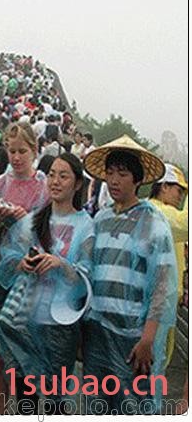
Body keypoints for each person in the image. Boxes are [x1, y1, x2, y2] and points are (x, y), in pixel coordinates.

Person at [82, 135, 178, 414]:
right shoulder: (100, 219)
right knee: (97, 405)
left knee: (132, 408)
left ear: (138, 180)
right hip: (98, 332)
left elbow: (163, 286)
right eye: (110, 173)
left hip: (133, 336)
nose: (114, 181)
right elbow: (87, 273)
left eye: (123, 174)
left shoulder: (153, 223)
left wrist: (148, 338)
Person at [0, 153, 94, 415]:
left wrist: (61, 265)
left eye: (64, 176)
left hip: (59, 329)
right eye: (52, 175)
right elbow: (8, 259)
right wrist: (21, 265)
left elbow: (87, 277)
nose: (56, 181)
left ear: (77, 184)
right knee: (26, 403)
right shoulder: (31, 221)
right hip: (24, 324)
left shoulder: (86, 226)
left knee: (55, 404)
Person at [0, 123, 50, 411]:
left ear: (35, 151)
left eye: (23, 151)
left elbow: (53, 235)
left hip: (32, 283)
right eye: (11, 151)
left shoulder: (46, 188)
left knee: (25, 360)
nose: (16, 157)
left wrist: (26, 220)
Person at [148, 164, 188, 365]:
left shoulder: (165, 212)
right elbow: (186, 223)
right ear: (164, 186)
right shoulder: (159, 211)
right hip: (158, 301)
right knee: (156, 358)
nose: (181, 197)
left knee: (161, 358)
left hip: (168, 300)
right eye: (179, 190)